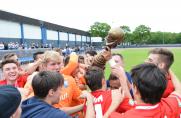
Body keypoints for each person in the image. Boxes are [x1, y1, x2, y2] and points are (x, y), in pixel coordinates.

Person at [109, 63, 181, 118]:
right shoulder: (171, 105)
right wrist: (167, 68)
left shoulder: (127, 116)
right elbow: (179, 90)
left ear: (135, 89)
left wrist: (114, 104)